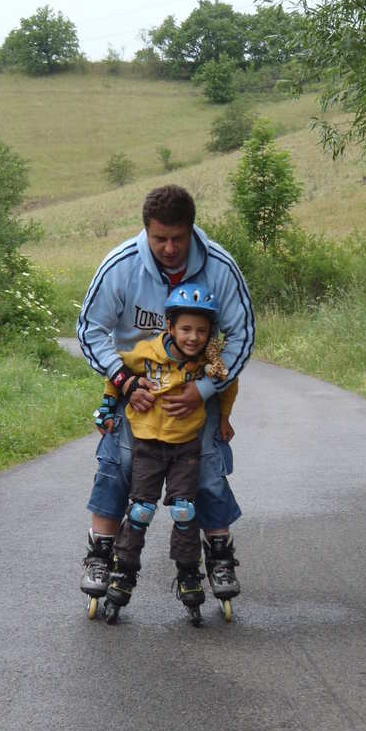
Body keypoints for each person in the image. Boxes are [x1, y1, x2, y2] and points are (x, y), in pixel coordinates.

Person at [77, 184, 255, 605]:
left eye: (178, 238)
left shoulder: (221, 268)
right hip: (134, 384)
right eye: (160, 239)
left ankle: (220, 556)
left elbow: (242, 336)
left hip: (197, 388)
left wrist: (205, 389)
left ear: (191, 230)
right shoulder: (121, 266)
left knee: (209, 470)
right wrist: (124, 381)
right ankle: (101, 555)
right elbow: (90, 330)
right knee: (117, 465)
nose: (170, 248)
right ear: (146, 232)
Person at [94, 287, 237, 620]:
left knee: (185, 511)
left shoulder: (207, 364)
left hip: (186, 447)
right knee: (141, 510)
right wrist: (106, 406)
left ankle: (189, 574)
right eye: (186, 329)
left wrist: (225, 418)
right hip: (147, 444)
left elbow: (229, 383)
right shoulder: (146, 353)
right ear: (170, 327)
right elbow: (116, 371)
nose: (193, 337)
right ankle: (123, 572)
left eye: (202, 331)